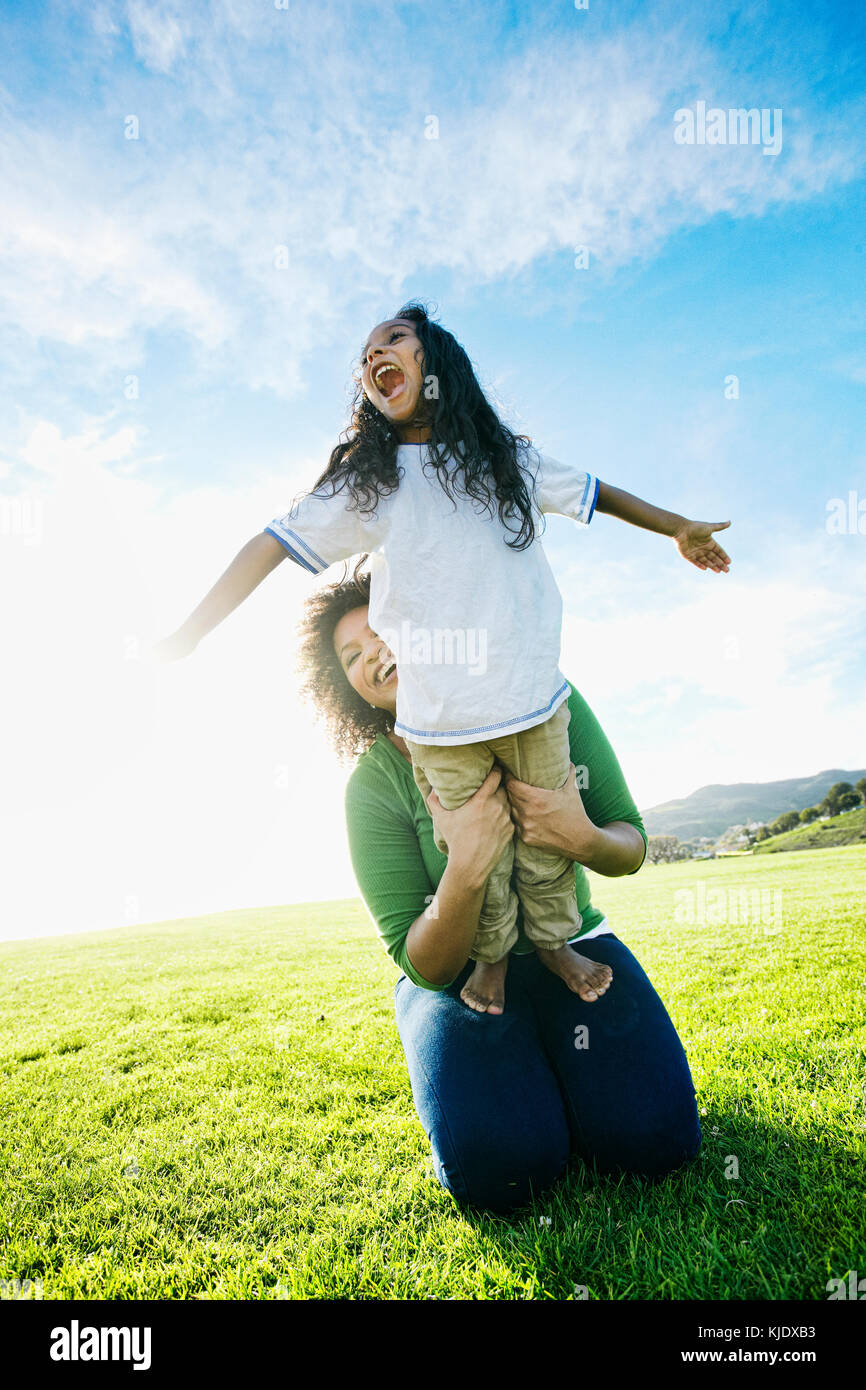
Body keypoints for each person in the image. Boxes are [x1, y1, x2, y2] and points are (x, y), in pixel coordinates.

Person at [154, 301, 730, 1016]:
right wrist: (195, 628)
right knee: (476, 853)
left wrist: (677, 527)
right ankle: (489, 958)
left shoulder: (507, 463)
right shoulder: (372, 483)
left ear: (438, 363)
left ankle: (554, 944)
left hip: (530, 699)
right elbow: (272, 541)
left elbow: (595, 493)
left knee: (547, 841)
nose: (373, 358)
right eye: (364, 357)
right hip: (439, 723)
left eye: (392, 341)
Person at [292, 567, 702, 1211]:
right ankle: (525, 1062)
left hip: (571, 943)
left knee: (656, 1142)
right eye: (352, 655)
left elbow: (631, 842)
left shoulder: (546, 706)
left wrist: (579, 836)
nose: (374, 651)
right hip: (460, 972)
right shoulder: (373, 786)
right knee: (503, 1168)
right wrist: (468, 865)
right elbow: (419, 958)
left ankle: (565, 1053)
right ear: (354, 693)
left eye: (384, 628)